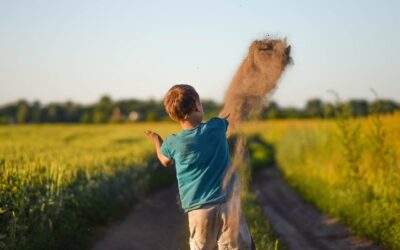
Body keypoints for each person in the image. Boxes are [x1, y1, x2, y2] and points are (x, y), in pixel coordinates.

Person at [144, 84, 254, 250]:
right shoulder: (216, 127)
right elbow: (226, 117)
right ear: (196, 104)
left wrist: (157, 140)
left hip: (198, 211)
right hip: (228, 205)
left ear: (173, 115)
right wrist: (238, 101)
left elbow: (164, 160)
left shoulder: (173, 142)